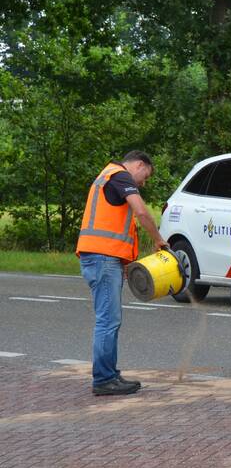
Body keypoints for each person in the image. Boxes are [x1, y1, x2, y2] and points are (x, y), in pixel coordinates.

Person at [76, 150, 168, 396]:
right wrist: (159, 240)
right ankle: (104, 379)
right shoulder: (121, 177)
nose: (143, 182)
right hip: (102, 258)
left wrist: (126, 262)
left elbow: (114, 225)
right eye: (144, 176)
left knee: (110, 320)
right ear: (138, 165)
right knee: (108, 320)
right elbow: (141, 212)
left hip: (102, 258)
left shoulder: (108, 176)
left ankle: (109, 374)